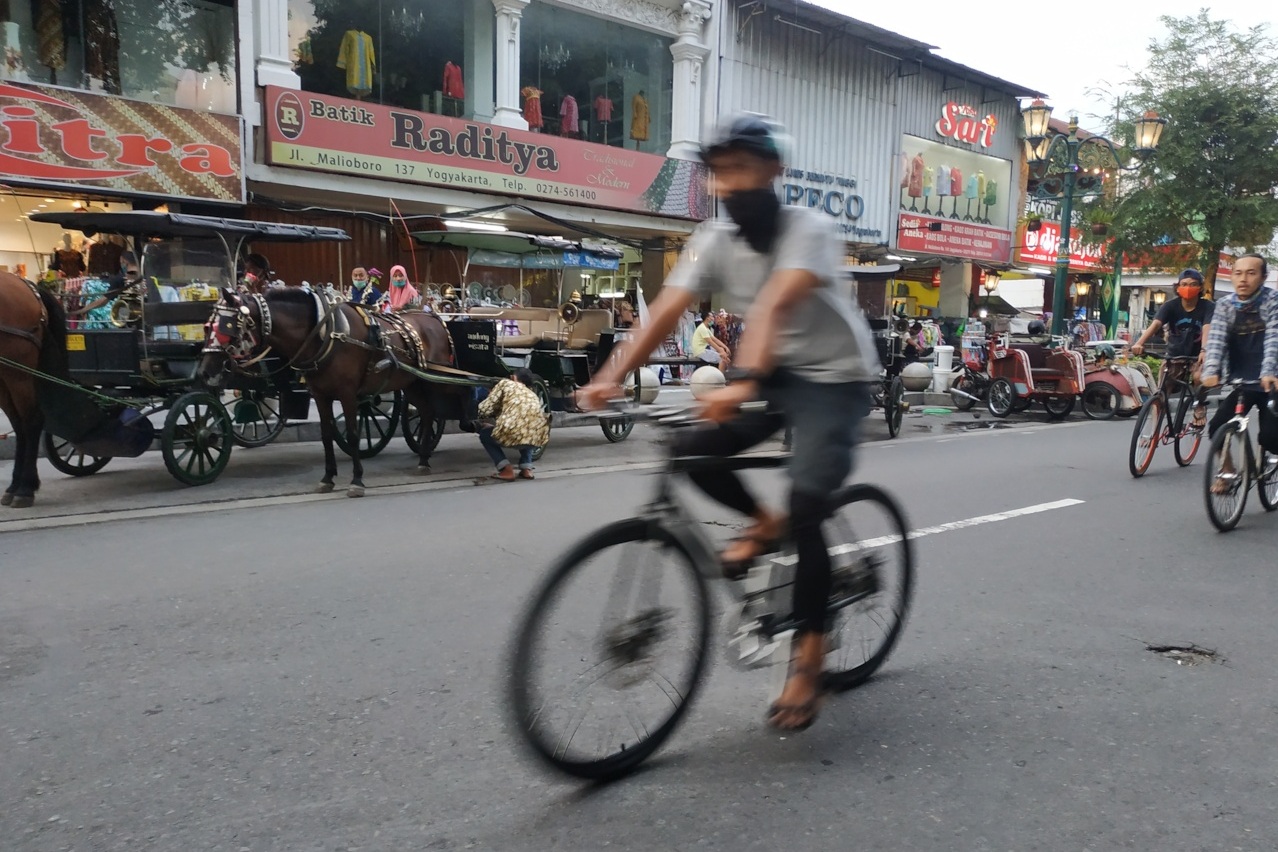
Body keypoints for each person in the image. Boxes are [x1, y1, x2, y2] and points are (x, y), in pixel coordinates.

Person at [579, 114, 881, 731]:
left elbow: (774, 303)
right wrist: (609, 377)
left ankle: (810, 659)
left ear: (773, 171)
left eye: (742, 169)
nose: (729, 184)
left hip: (835, 378)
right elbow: (666, 309)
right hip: (774, 372)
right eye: (719, 173)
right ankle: (764, 522)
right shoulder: (711, 239)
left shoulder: (809, 229)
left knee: (807, 506)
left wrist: (741, 381)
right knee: (694, 449)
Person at [1200, 254, 1278, 491]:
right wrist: (1211, 370)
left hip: (1271, 379)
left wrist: (1269, 371)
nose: (1243, 279)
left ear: (1263, 277)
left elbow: (1274, 339)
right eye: (1238, 273)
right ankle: (1227, 472)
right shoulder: (1225, 305)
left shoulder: (1272, 301)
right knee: (1217, 427)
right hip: (1243, 379)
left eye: (1251, 273)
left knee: (1271, 438)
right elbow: (1216, 340)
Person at [1130, 268, 1214, 427]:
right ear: (1178, 287)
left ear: (1200, 288)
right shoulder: (1170, 306)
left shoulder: (1207, 306)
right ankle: (1154, 431)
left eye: (1193, 284)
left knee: (1199, 377)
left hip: (1197, 355)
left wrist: (1204, 350)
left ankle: (1199, 405)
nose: (1188, 288)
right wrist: (1139, 343)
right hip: (1174, 355)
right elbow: (1156, 325)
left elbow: (1206, 328)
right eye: (1184, 284)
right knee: (1161, 393)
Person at [477, 369, 549, 481]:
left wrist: (483, 413)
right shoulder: (532, 394)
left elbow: (484, 409)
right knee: (527, 428)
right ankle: (526, 468)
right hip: (536, 440)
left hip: (512, 435)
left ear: (513, 378)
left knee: (485, 435)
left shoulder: (505, 384)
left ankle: (506, 469)